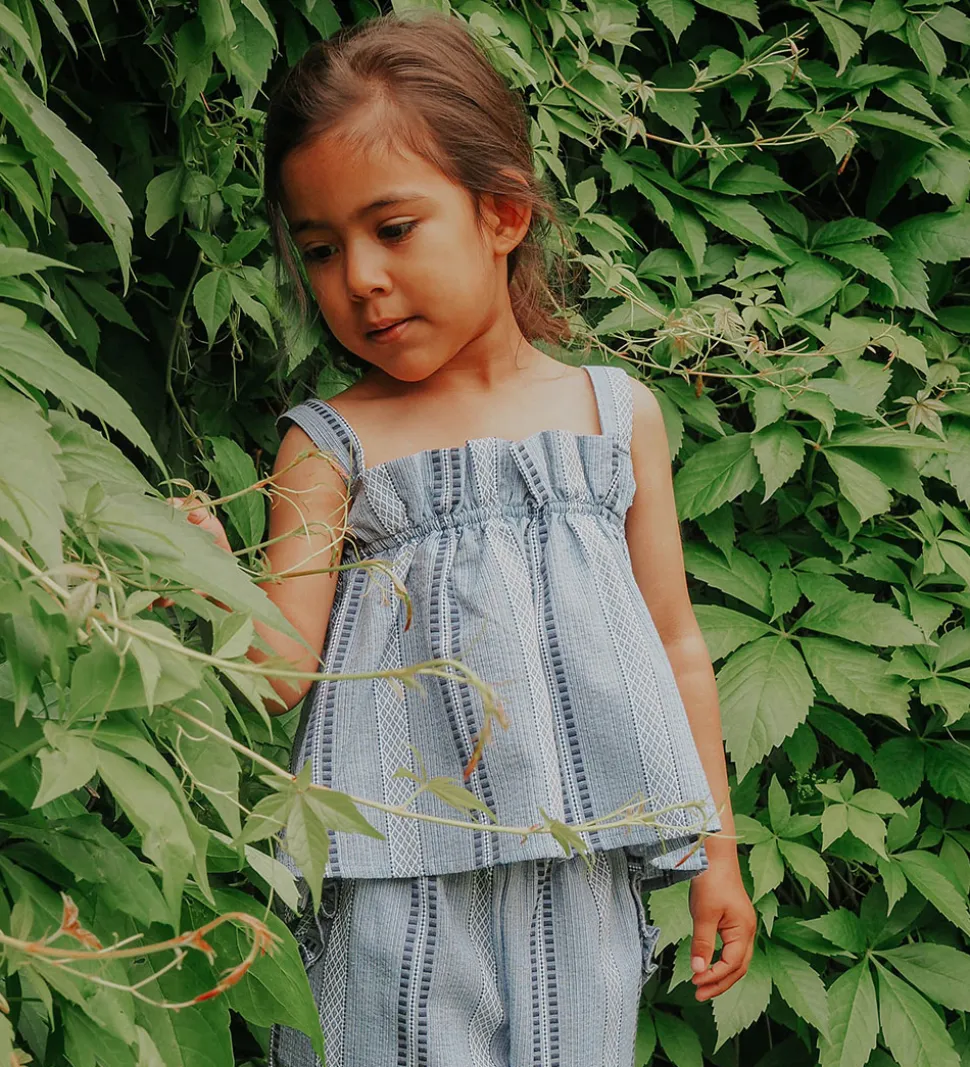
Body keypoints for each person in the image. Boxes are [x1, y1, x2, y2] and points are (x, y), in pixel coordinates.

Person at [176, 11, 755, 1066]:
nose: (359, 277)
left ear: (502, 213)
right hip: (386, 887)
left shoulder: (613, 417)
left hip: (580, 877)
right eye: (321, 249)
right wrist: (208, 574)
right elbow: (279, 672)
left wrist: (717, 847)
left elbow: (675, 642)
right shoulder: (329, 445)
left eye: (393, 228)